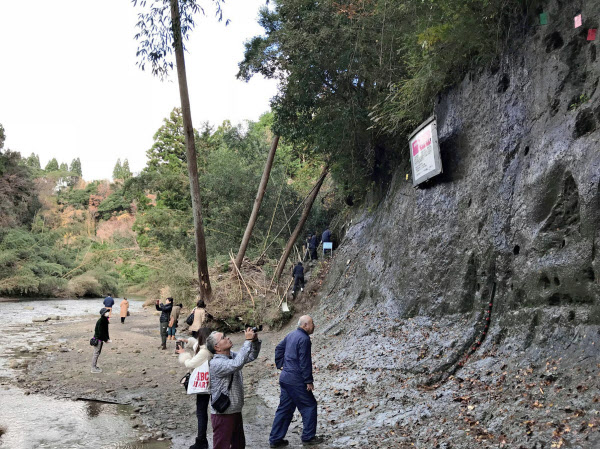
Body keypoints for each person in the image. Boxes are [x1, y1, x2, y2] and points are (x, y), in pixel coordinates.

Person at [269, 315, 323, 447]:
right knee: (309, 405)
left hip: (285, 378)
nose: (314, 325)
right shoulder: (304, 339)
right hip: (296, 380)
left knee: (285, 409)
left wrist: (281, 364)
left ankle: (275, 439)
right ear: (305, 325)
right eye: (312, 323)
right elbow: (305, 362)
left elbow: (278, 348)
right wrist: (308, 380)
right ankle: (308, 437)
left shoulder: (291, 334)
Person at [206, 328, 261, 449]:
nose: (228, 338)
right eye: (223, 338)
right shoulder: (216, 363)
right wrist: (247, 340)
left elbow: (251, 356)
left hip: (235, 409)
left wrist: (254, 341)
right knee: (222, 446)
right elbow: (237, 364)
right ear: (217, 347)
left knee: (239, 445)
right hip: (223, 412)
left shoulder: (231, 356)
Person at [177, 328, 213, 449]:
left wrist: (183, 354)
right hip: (212, 382)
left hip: (205, 384)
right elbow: (197, 345)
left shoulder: (204, 352)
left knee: (201, 412)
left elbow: (190, 364)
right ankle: (203, 439)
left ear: (200, 337)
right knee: (210, 411)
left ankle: (202, 440)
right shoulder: (210, 347)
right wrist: (188, 341)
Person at [91, 308, 111, 373]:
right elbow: (101, 332)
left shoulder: (104, 320)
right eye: (106, 312)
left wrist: (107, 339)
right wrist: (106, 340)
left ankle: (94, 366)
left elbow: (105, 331)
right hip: (98, 339)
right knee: (96, 353)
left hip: (100, 339)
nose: (108, 313)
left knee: (97, 353)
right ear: (103, 314)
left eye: (107, 312)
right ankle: (93, 368)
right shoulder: (101, 321)